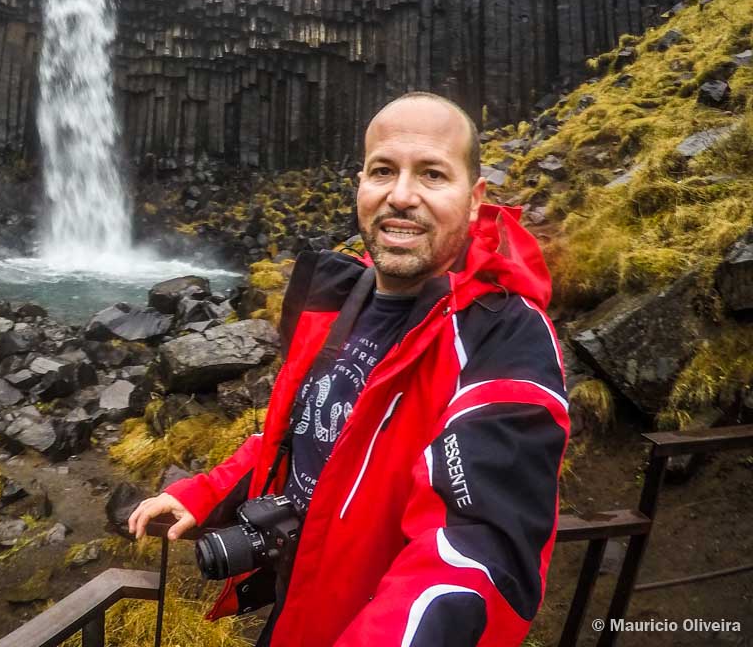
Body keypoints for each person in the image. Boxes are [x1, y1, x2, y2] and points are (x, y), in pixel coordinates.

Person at [128, 92, 569, 647]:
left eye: (432, 174)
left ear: (476, 198)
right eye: (384, 171)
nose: (401, 195)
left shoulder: (505, 340)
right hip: (300, 604)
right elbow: (305, 435)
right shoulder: (343, 298)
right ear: (360, 183)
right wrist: (204, 493)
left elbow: (477, 549)